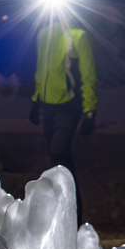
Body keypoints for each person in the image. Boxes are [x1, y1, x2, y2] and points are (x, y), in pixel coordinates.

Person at [29, 11, 97, 218]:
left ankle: (73, 212)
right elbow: (41, 70)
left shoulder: (79, 37)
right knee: (54, 155)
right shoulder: (43, 35)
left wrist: (89, 110)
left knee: (59, 151)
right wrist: (36, 101)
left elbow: (88, 74)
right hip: (48, 105)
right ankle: (59, 212)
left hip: (70, 105)